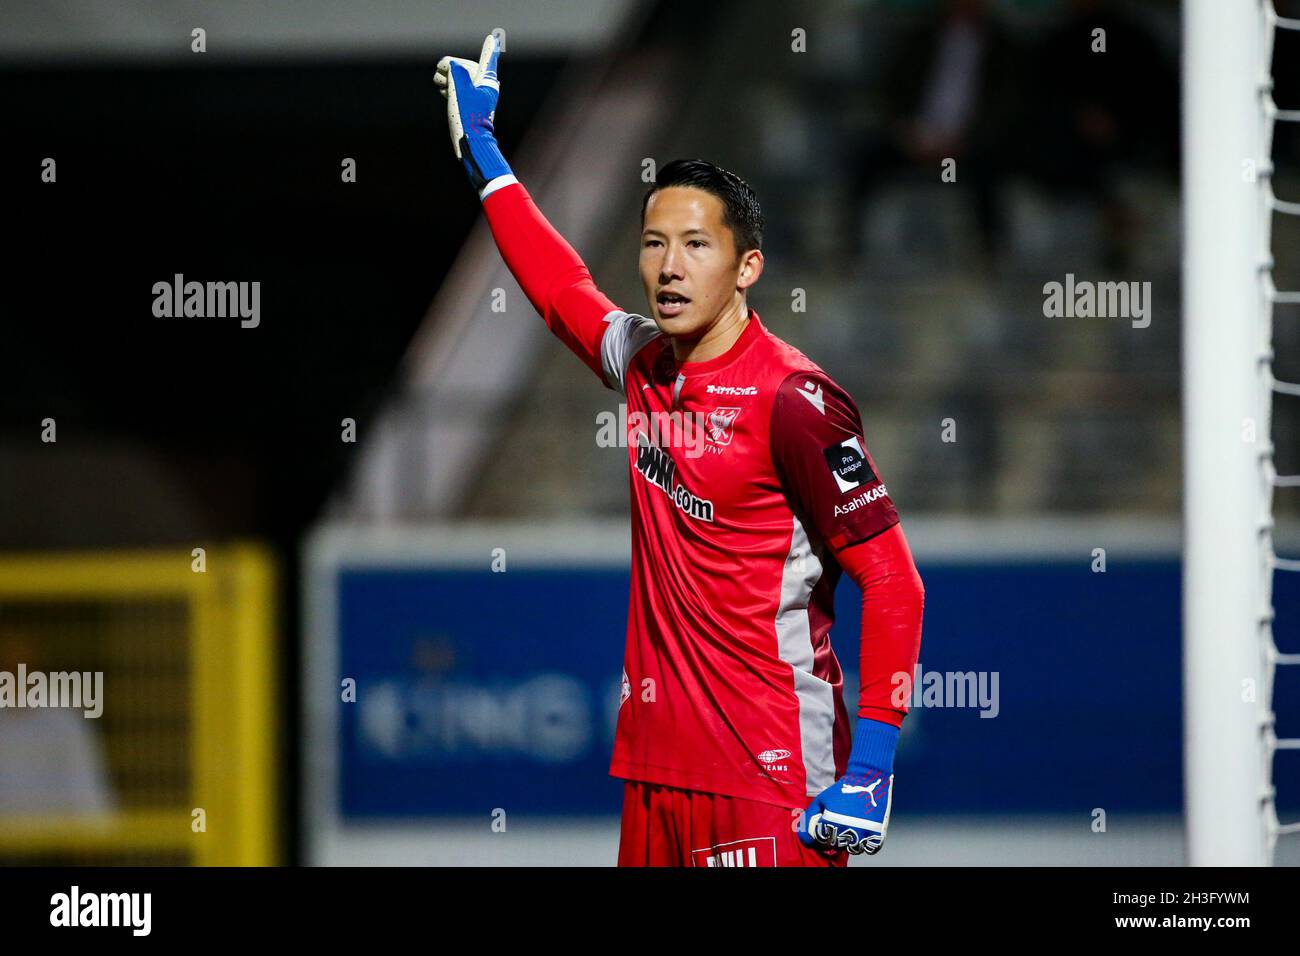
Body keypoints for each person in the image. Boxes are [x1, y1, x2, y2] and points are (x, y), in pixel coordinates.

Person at [435, 35, 924, 867]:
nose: (668, 266)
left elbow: (894, 581)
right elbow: (562, 292)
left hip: (773, 776)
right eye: (654, 242)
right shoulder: (644, 366)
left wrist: (871, 769)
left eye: (697, 244)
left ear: (747, 267)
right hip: (657, 768)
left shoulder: (793, 400)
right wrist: (486, 154)